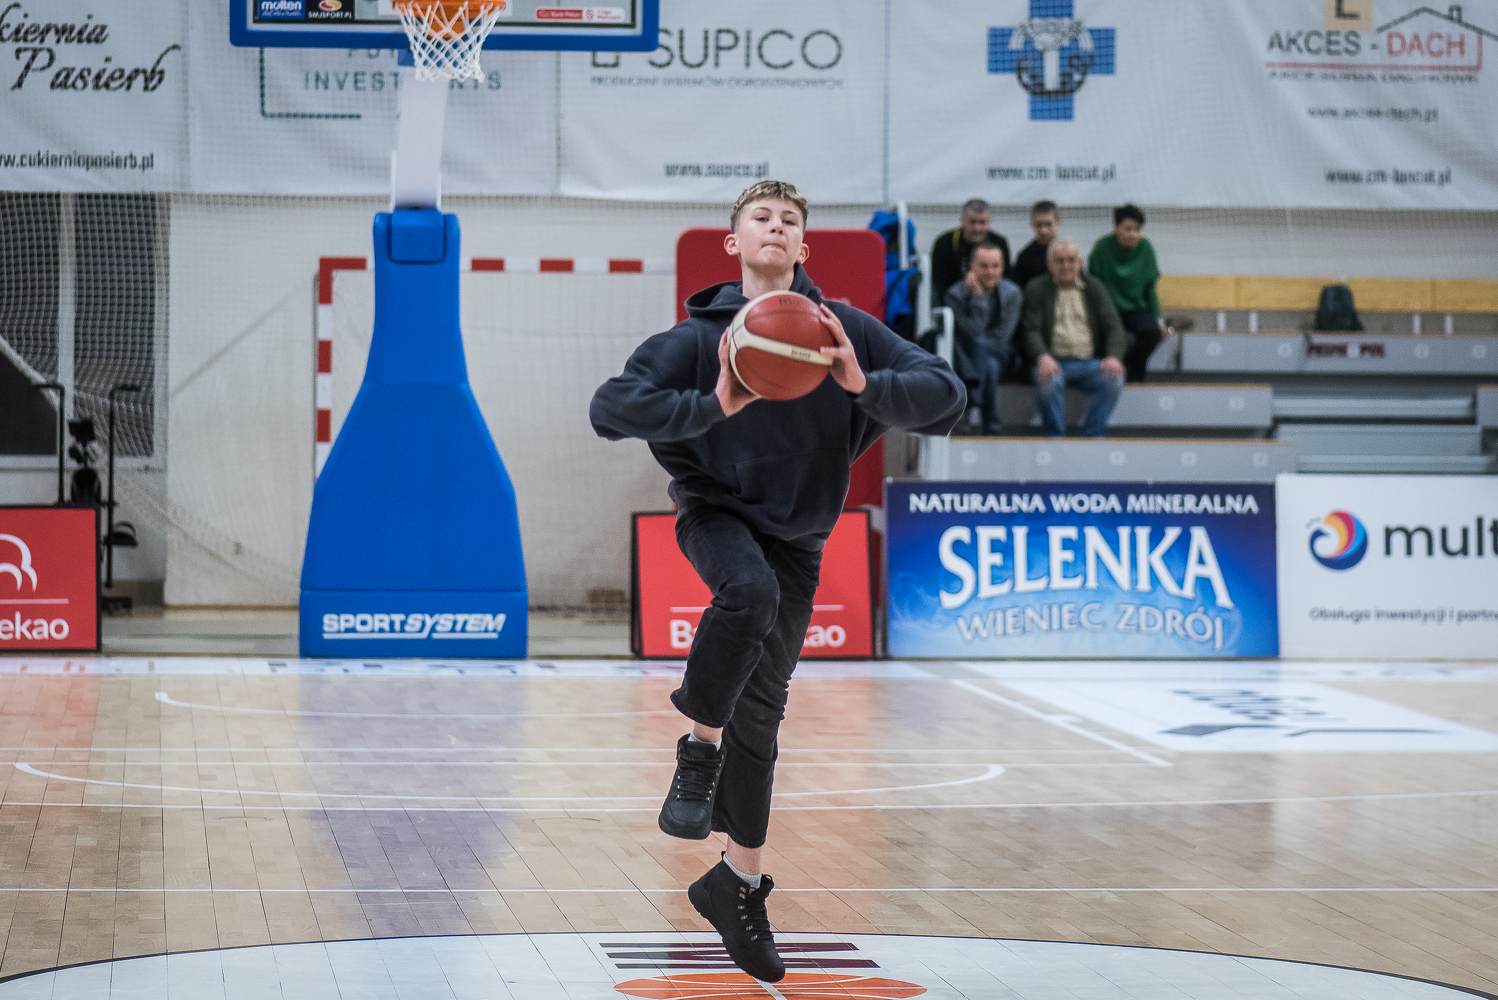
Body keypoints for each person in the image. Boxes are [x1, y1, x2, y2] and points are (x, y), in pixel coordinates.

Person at [589, 180, 964, 983]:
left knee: (763, 715)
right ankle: (698, 748)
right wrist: (711, 406)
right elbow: (610, 408)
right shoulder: (698, 339)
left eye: (790, 220)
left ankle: (738, 882)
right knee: (747, 595)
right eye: (761, 217)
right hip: (715, 514)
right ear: (734, 242)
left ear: (803, 246)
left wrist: (864, 386)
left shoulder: (843, 332)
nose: (776, 226)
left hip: (801, 538)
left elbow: (947, 396)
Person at [1016, 239, 1126, 438]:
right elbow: (1030, 330)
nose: (1066, 266)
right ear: (1049, 264)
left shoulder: (1095, 287)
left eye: (1071, 260)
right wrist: (1042, 356)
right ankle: (1055, 437)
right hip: (1053, 362)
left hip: (1090, 363)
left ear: (1080, 263)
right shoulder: (1036, 288)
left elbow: (1114, 327)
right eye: (1059, 261)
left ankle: (1093, 435)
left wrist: (1113, 356)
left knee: (1114, 379)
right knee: (1047, 382)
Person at [944, 243, 1022, 435]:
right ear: (972, 266)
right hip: (967, 360)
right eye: (984, 266)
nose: (990, 272)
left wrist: (981, 342)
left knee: (983, 348)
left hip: (1004, 355)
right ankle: (991, 423)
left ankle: (970, 399)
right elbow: (972, 331)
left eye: (995, 266)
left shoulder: (1013, 293)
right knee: (990, 366)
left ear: (1002, 267)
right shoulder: (955, 295)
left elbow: (1003, 337)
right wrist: (978, 297)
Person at [1088, 204, 1168, 382]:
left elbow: (1150, 289)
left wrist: (1158, 319)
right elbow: (1093, 286)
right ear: (1115, 228)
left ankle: (1132, 375)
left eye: (1137, 229)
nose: (1133, 234)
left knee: (1152, 333)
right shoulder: (1102, 248)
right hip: (1107, 310)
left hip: (1135, 310)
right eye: (1128, 229)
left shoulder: (1146, 248)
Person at [929, 198, 1012, 307]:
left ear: (989, 223)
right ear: (962, 221)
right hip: (954, 301)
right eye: (972, 222)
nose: (977, 228)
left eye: (982, 222)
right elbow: (938, 282)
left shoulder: (999, 243)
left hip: (992, 303)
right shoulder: (945, 243)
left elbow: (1005, 279)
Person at [1008, 200, 1060, 292]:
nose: (1043, 230)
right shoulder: (1024, 257)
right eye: (1039, 225)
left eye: (1048, 224)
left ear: (1058, 222)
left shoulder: (1068, 255)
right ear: (1032, 224)